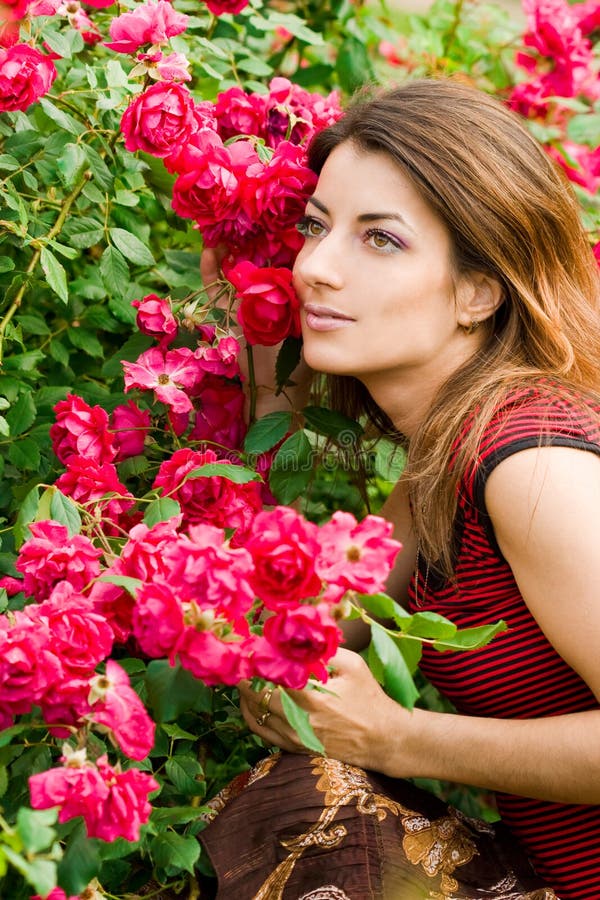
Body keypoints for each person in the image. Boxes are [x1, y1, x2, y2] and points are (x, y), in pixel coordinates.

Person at [199, 77, 600, 900]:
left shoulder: (531, 464)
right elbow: (301, 632)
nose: (315, 267)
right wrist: (272, 387)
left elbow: (371, 726)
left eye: (379, 240)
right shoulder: (447, 452)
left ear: (478, 291)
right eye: (316, 227)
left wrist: (395, 737)